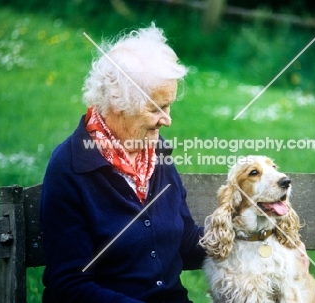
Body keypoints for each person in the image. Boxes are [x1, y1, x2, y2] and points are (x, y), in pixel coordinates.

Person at [40, 24, 205, 303]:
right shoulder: (71, 167)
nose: (167, 120)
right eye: (155, 108)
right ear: (117, 101)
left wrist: (245, 233)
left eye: (168, 106)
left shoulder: (157, 155)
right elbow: (70, 283)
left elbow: (185, 242)